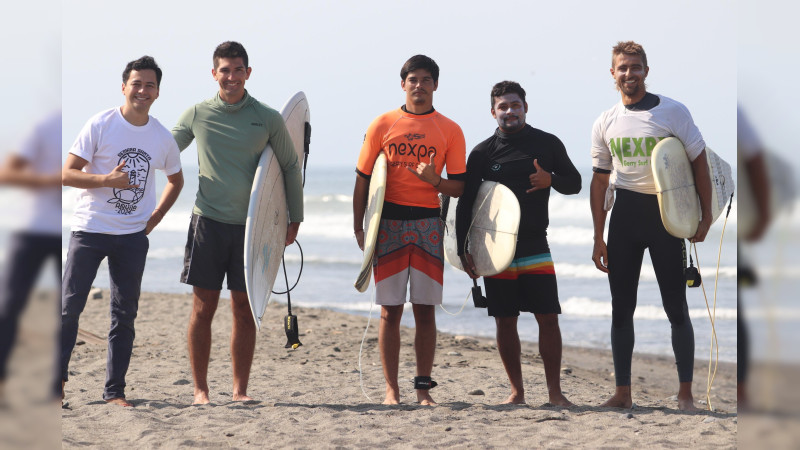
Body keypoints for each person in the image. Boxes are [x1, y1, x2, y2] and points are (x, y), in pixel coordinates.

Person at [172, 41, 303, 405]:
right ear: (214, 73)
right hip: (208, 223)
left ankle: (240, 389)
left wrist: (295, 217)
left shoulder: (267, 117)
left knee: (244, 309)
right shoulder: (198, 114)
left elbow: (290, 166)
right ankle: (200, 390)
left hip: (252, 228)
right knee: (203, 308)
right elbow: (167, 149)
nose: (231, 77)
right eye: (224, 70)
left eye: (237, 69)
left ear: (248, 72)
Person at [589, 41, 712, 410]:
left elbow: (700, 164)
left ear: (646, 70)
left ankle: (686, 394)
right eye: (622, 68)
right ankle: (622, 393)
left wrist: (704, 217)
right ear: (613, 74)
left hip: (666, 216)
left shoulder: (672, 112)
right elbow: (599, 181)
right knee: (621, 307)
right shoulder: (605, 121)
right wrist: (598, 235)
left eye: (635, 67)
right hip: (625, 215)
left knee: (676, 306)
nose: (629, 74)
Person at [61, 56, 184, 407]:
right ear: (124, 86)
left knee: (124, 314)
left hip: (131, 237)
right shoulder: (100, 124)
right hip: (90, 229)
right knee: (69, 308)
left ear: (158, 92)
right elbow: (67, 173)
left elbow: (176, 179)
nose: (142, 90)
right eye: (137, 83)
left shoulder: (161, 137)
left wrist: (155, 216)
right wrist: (105, 180)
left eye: (150, 85)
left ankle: (115, 391)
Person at [455, 81, 581, 406]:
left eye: (515, 105)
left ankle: (555, 393)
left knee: (548, 317)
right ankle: (517, 392)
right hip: (496, 249)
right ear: (493, 112)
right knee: (505, 319)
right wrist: (462, 248)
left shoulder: (547, 143)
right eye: (503, 107)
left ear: (526, 107)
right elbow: (467, 202)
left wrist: (550, 179)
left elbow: (575, 183)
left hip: (535, 244)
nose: (509, 111)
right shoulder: (483, 153)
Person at [353, 55, 466, 405]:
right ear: (402, 84)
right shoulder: (382, 124)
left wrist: (436, 181)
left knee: (425, 309)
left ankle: (422, 388)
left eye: (426, 79)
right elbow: (363, 180)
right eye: (413, 79)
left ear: (435, 85)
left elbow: (459, 188)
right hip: (387, 224)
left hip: (429, 224)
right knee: (390, 309)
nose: (419, 85)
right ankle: (391, 389)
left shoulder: (450, 129)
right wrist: (360, 227)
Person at [0, 110, 62, 402]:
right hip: (32, 229)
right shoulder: (47, 124)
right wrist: (48, 180)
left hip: (71, 230)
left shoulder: (96, 123)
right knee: (10, 305)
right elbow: (7, 172)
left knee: (64, 312)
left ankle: (55, 388)